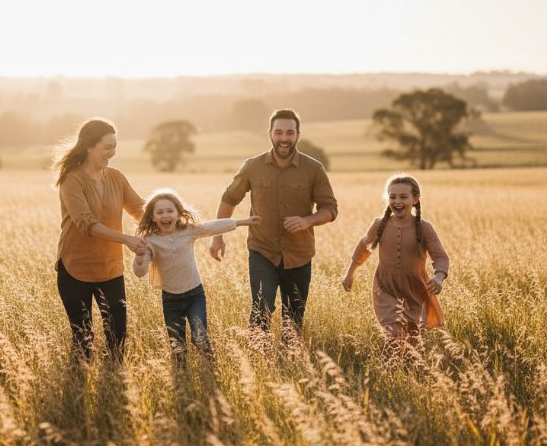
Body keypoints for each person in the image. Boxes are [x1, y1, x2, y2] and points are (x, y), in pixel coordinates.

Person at [208, 108, 337, 337]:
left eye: (289, 132)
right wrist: (218, 237)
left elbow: (330, 209)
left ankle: (290, 365)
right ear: (269, 134)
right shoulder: (252, 166)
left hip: (299, 254)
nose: (284, 138)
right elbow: (229, 199)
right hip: (262, 252)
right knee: (261, 310)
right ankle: (258, 362)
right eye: (279, 132)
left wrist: (307, 221)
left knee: (294, 318)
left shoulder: (313, 168)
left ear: (298, 134)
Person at [54, 118, 146, 363]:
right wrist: (126, 239)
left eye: (114, 146)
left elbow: (139, 209)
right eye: (107, 147)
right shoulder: (71, 180)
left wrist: (171, 220)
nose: (112, 153)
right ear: (88, 147)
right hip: (76, 268)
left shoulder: (116, 177)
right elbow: (86, 224)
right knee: (83, 339)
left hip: (110, 267)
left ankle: (113, 384)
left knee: (118, 335)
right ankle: (78, 389)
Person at [132, 189, 260, 365]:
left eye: (170, 211)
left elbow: (211, 226)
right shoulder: (150, 240)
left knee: (200, 337)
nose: (165, 216)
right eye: (159, 212)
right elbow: (140, 272)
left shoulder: (188, 231)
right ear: (152, 217)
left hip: (195, 295)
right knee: (177, 346)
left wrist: (242, 221)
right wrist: (139, 258)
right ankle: (181, 377)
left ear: (178, 213)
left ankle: (211, 368)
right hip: (170, 300)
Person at [341, 173, 450, 354]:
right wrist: (350, 272)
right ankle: (389, 371)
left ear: (415, 199)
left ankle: (409, 373)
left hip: (416, 288)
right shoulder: (379, 225)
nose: (397, 201)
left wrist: (438, 277)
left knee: (413, 338)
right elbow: (364, 247)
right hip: (386, 286)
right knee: (393, 333)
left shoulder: (424, 228)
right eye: (392, 197)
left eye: (403, 197)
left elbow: (440, 257)